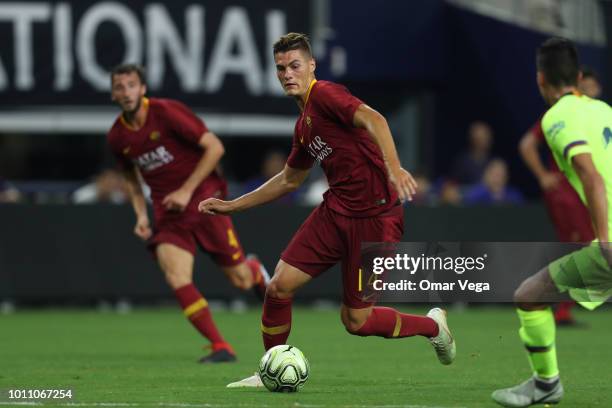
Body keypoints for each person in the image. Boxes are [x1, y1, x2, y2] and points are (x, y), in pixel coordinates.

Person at [199, 33, 456, 387]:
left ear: (311, 66)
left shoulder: (326, 94)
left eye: (294, 66)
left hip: (377, 220)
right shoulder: (303, 124)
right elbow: (290, 180)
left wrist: (394, 168)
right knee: (278, 287)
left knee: (357, 322)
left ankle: (433, 326)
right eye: (280, 68)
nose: (287, 73)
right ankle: (269, 369)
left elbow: (376, 120)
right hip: (335, 213)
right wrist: (233, 206)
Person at [106, 64, 270, 363]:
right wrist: (141, 215)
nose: (126, 91)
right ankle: (221, 346)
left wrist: (185, 191)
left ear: (142, 89)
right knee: (176, 276)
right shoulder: (118, 137)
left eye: (131, 85)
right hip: (169, 214)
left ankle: (255, 270)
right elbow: (131, 177)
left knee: (241, 280)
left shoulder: (167, 112)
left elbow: (215, 148)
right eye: (120, 87)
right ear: (113, 94)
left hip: (206, 201)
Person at [492, 38, 612, 407]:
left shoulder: (557, 117)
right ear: (578, 76)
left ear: (540, 79)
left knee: (529, 296)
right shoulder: (605, 110)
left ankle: (546, 384)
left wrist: (605, 240)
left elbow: (590, 176)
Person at [517, 67, 601, 325]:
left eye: (591, 88)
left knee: (584, 246)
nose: (587, 92)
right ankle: (558, 308)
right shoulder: (561, 117)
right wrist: (543, 175)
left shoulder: (597, 117)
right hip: (567, 192)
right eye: (582, 88)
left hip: (588, 191)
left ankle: (555, 304)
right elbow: (527, 144)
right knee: (580, 246)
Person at [451, 121, 494, 185]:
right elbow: (454, 186)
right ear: (473, 140)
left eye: (486, 138)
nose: (484, 141)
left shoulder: (493, 162)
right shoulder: (463, 162)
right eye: (480, 139)